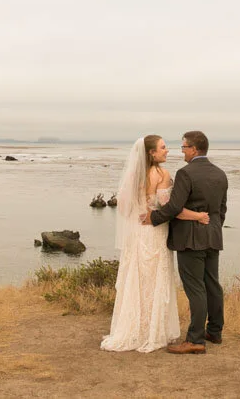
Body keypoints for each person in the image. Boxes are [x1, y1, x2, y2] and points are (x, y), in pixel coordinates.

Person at [101, 135, 210, 353]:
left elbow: (123, 208)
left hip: (137, 233)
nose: (167, 150)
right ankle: (151, 331)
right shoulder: (162, 174)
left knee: (138, 279)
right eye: (162, 147)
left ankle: (133, 328)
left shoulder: (134, 176)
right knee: (154, 280)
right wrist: (197, 216)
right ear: (151, 153)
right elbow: (172, 209)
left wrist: (141, 213)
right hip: (154, 233)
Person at [142, 130, 228, 355]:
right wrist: (213, 228)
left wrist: (154, 218)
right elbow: (222, 210)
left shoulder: (186, 173)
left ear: (194, 149)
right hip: (213, 236)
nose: (181, 152)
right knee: (212, 285)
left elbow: (174, 207)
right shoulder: (220, 174)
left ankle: (196, 339)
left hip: (190, 239)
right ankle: (215, 331)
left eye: (183, 147)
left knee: (195, 289)